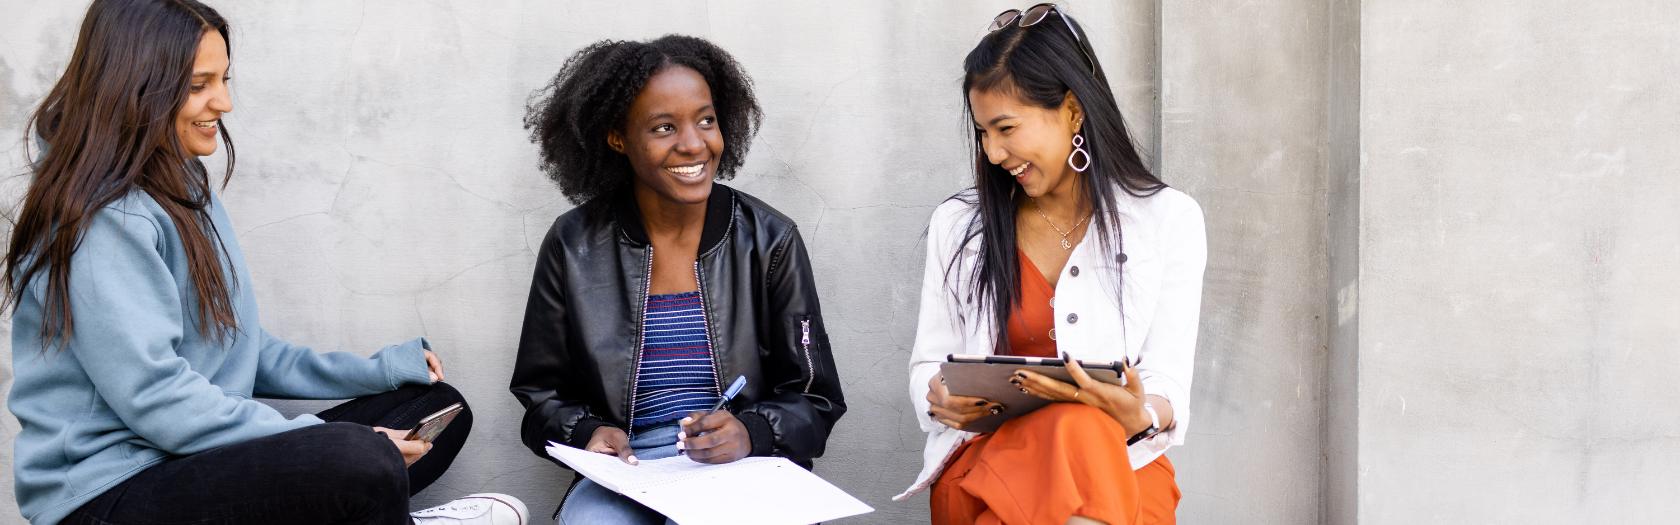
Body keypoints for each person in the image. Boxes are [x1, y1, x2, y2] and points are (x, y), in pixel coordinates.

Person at [3, 1, 525, 523]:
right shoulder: (99, 218)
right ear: (132, 89)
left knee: (433, 410)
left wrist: (380, 371)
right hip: (109, 494)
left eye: (224, 78)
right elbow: (156, 398)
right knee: (360, 458)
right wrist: (334, 440)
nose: (224, 102)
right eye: (198, 84)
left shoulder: (181, 186)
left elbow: (240, 349)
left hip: (187, 457)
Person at [512, 34, 846, 524]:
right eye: (664, 127)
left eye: (706, 120)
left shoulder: (769, 240)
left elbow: (816, 396)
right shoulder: (574, 244)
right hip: (631, 467)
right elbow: (541, 392)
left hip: (742, 463)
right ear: (618, 137)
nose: (694, 144)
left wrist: (750, 431)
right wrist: (585, 432)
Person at [901, 4, 1208, 524]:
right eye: (982, 132)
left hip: (1122, 462)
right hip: (991, 462)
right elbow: (929, 363)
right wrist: (939, 398)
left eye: (1005, 128)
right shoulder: (960, 225)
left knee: (1083, 429)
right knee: (1077, 432)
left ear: (1072, 110)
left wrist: (1143, 412)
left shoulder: (1167, 219)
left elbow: (1168, 381)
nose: (993, 152)